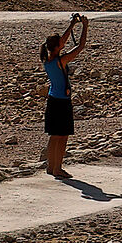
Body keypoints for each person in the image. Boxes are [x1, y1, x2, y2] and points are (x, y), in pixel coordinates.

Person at [38, 13, 89, 178]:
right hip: (62, 102)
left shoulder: (48, 60)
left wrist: (73, 25)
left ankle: (51, 166)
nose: (63, 43)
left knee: (54, 136)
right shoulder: (61, 61)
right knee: (62, 136)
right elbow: (80, 46)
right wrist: (85, 27)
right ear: (56, 47)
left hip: (53, 99)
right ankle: (58, 168)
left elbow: (62, 41)